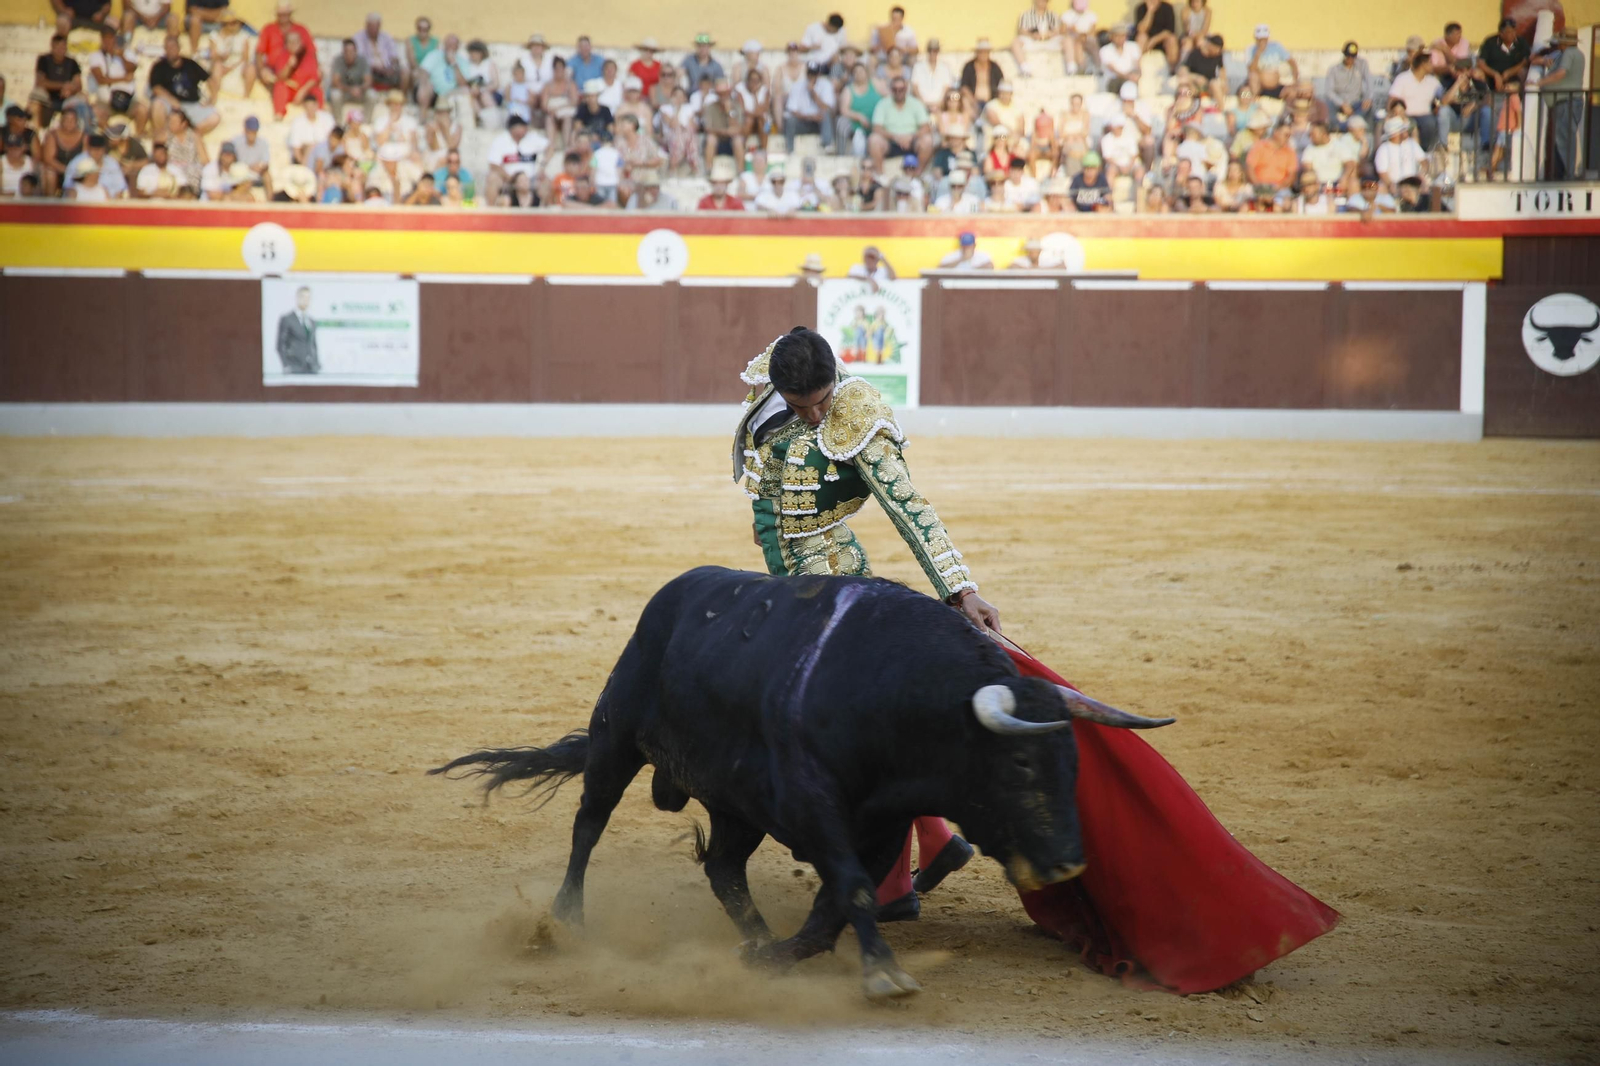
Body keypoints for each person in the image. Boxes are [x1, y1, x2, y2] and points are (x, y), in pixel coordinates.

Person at [731, 327, 992, 919]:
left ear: (836, 380)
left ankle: (894, 885)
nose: (816, 414)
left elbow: (909, 507)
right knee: (856, 730)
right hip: (792, 585)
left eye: (822, 400)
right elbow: (768, 487)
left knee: (859, 736)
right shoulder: (773, 390)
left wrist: (960, 589)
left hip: (839, 582)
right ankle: (935, 839)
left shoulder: (858, 415)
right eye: (801, 405)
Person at [1528, 28, 1585, 181]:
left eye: (1559, 41)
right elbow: (1534, 60)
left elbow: (1561, 73)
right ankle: (1562, 174)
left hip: (1567, 102)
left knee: (1564, 139)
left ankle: (1567, 176)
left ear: (1565, 42)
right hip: (1564, 102)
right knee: (1562, 139)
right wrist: (1543, 56)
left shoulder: (1569, 53)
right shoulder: (1562, 54)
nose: (1557, 44)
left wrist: (1539, 82)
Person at [29, 35, 85, 132]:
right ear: (52, 47)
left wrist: (70, 90)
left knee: (83, 100)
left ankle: (80, 133)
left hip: (67, 97)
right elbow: (40, 82)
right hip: (47, 96)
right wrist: (63, 86)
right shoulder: (44, 60)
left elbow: (78, 85)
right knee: (35, 98)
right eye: (58, 47)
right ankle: (36, 132)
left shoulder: (72, 62)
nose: (61, 50)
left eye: (63, 47)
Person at [783, 62, 835, 153]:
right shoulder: (797, 85)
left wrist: (813, 93)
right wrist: (810, 117)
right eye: (810, 74)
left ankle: (827, 145)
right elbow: (792, 110)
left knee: (825, 114)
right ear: (806, 73)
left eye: (814, 74)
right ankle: (790, 150)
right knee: (790, 120)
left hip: (819, 123)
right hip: (803, 121)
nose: (811, 77)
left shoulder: (826, 85)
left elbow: (827, 107)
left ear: (818, 74)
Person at [356, 13, 405, 100]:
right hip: (370, 69)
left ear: (379, 26)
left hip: (387, 68)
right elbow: (360, 59)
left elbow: (394, 55)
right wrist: (377, 68)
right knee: (365, 72)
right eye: (371, 27)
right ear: (367, 26)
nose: (374, 30)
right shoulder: (359, 38)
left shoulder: (386, 37)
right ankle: (371, 98)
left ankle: (399, 98)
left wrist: (392, 67)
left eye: (376, 27)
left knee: (405, 72)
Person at [1011, 0, 1066, 77]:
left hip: (1050, 41)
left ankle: (1072, 69)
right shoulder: (1025, 15)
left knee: (1067, 40)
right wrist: (1032, 35)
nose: (1042, 2)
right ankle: (1025, 69)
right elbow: (1021, 31)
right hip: (1032, 41)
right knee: (1016, 42)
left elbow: (1058, 31)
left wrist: (1049, 35)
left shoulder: (1053, 15)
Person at [1324, 42, 1370, 130]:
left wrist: (1368, 98)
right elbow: (1329, 91)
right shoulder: (1334, 70)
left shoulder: (1361, 65)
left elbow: (1369, 83)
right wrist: (1342, 104)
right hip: (1339, 104)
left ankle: (1348, 125)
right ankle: (1344, 125)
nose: (1350, 59)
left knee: (1368, 105)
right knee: (1328, 104)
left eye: (1353, 57)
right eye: (1348, 56)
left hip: (1356, 103)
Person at [276, 286, 319, 374]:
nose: (305, 300)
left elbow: (313, 345)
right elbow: (280, 345)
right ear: (297, 298)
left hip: (311, 369)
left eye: (308, 298)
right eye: (303, 297)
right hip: (294, 367)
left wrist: (316, 364)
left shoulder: (312, 321)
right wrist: (286, 365)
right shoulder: (287, 319)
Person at [1246, 24, 1296, 99]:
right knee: (1244, 93)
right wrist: (1258, 53)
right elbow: (1251, 69)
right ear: (1256, 38)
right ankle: (1253, 100)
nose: (1262, 41)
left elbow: (1292, 63)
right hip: (1258, 87)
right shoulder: (1251, 49)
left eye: (1264, 39)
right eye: (1260, 39)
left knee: (1293, 93)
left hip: (1276, 87)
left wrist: (1294, 79)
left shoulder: (1276, 46)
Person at [327, 38, 371, 122]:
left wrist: (360, 89)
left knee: (372, 95)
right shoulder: (338, 60)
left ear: (356, 51)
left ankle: (366, 122)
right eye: (346, 52)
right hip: (345, 93)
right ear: (343, 52)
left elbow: (368, 81)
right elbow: (335, 82)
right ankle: (338, 123)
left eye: (351, 51)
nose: (349, 54)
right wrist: (350, 90)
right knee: (335, 94)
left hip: (359, 93)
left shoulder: (363, 61)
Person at [959, 38, 1004, 118]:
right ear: (977, 52)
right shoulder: (969, 67)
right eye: (981, 52)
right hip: (973, 101)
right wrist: (973, 101)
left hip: (991, 101)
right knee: (965, 101)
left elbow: (1002, 84)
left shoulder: (995, 67)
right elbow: (964, 86)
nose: (983, 55)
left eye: (986, 52)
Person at [1133, 0, 1178, 71]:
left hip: (1162, 39)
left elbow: (1169, 31)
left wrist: (1154, 40)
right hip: (1146, 41)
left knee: (1172, 39)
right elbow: (1141, 29)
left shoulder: (1167, 8)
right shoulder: (1140, 8)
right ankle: (1138, 69)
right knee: (1141, 37)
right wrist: (1150, 12)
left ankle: (1172, 70)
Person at [1098, 24, 1141, 93]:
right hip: (1113, 80)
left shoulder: (1133, 47)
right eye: (1117, 36)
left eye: (1123, 36)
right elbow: (1112, 69)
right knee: (1127, 84)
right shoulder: (1105, 50)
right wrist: (1127, 77)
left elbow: (1137, 65)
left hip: (1131, 78)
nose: (1120, 39)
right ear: (1111, 37)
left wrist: (1136, 75)